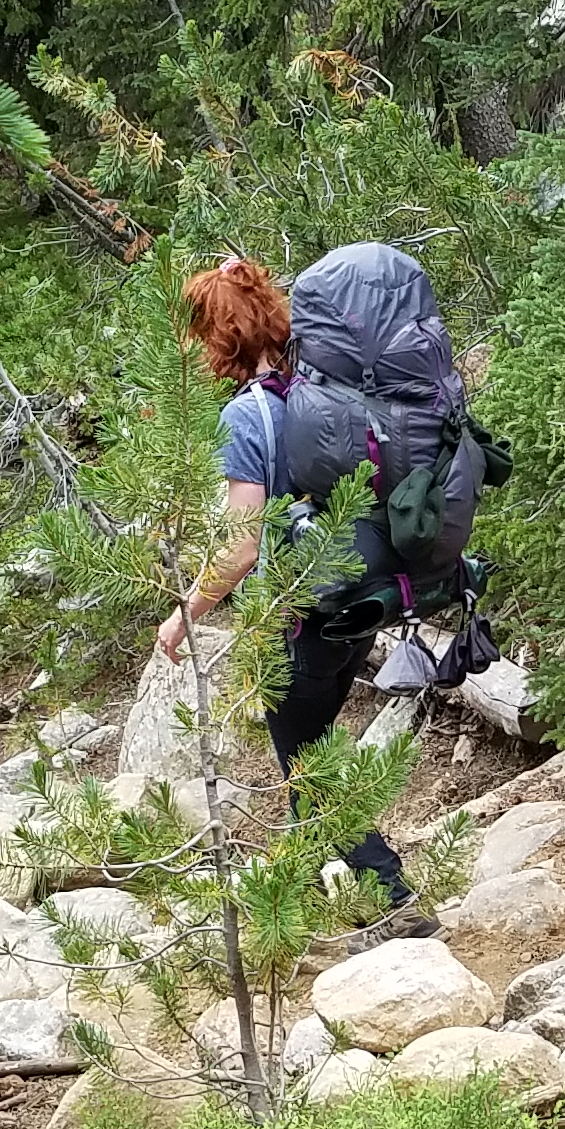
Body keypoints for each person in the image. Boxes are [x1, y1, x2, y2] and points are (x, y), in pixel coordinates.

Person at [156, 254, 413, 913]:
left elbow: (241, 548)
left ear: (216, 343)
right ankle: (291, 906)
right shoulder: (324, 392)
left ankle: (395, 898)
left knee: (306, 761)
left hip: (292, 614)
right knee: (308, 750)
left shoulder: (247, 418)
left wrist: (187, 612)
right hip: (356, 601)